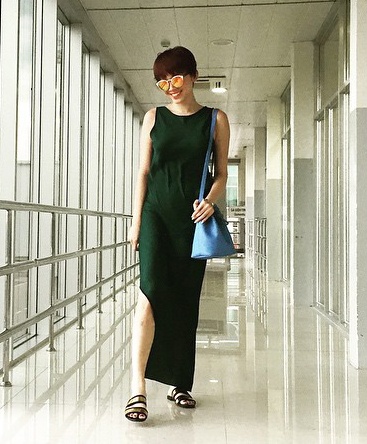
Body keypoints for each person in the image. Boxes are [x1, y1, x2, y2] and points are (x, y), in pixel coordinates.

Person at [124, 46, 230, 423]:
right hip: (156, 216)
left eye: (176, 78)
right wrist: (136, 221)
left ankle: (180, 383)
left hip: (192, 221)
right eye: (162, 82)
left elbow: (221, 174)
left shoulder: (215, 119)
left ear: (193, 76)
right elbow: (143, 172)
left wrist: (211, 202)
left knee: (185, 301)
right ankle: (137, 388)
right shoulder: (154, 117)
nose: (170, 87)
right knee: (149, 294)